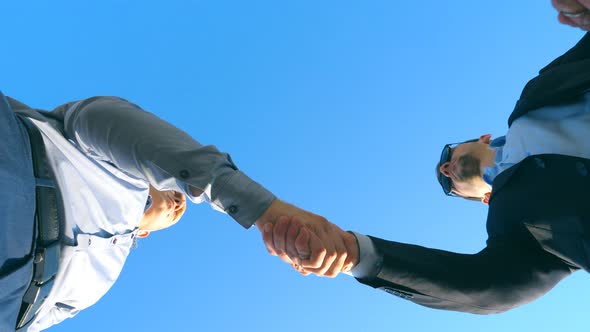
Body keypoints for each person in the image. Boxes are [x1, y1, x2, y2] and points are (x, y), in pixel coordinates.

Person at [262, 0, 590, 314]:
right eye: (448, 183)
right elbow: (487, 287)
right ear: (485, 199)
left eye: (447, 155)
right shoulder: (514, 228)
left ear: (482, 138)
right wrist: (354, 254)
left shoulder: (536, 96)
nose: (446, 167)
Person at [1, 95, 355, 331]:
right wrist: (268, 211)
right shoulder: (108, 160)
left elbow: (36, 320)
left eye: (177, 209)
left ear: (145, 233)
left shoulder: (105, 276)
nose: (177, 201)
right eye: (172, 190)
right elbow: (129, 134)